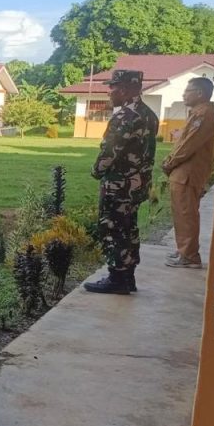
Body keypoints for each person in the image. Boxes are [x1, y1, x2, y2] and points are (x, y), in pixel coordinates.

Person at [84, 70, 157, 295]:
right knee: (128, 228)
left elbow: (109, 151)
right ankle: (127, 276)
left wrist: (97, 171)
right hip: (137, 184)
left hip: (119, 185)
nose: (109, 93)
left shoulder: (125, 116)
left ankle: (117, 278)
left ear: (124, 89)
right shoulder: (149, 114)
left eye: (112, 88)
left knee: (113, 228)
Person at [162, 77, 214, 269]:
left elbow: (188, 145)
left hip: (188, 172)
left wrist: (170, 162)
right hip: (183, 172)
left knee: (186, 213)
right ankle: (183, 251)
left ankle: (189, 256)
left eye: (188, 91)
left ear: (200, 93)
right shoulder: (198, 113)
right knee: (181, 212)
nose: (184, 94)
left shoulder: (204, 114)